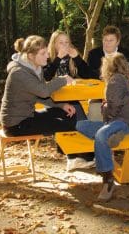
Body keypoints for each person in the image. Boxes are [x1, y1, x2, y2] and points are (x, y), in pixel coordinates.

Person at [76, 53, 129, 201]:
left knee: (100, 135)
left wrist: (104, 108)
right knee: (81, 125)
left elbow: (114, 107)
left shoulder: (115, 80)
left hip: (123, 122)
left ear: (108, 67)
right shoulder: (124, 79)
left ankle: (107, 179)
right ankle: (113, 135)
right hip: (117, 122)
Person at [0, 35, 76, 137]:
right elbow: (43, 92)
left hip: (28, 116)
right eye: (43, 53)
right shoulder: (19, 73)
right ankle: (72, 151)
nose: (47, 56)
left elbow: (40, 96)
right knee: (66, 126)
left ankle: (70, 151)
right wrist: (63, 80)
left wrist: (62, 105)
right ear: (31, 56)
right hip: (15, 124)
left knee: (67, 114)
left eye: (47, 52)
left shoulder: (35, 68)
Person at [44, 30, 95, 171]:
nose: (65, 45)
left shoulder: (72, 57)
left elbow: (88, 74)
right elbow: (46, 77)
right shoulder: (47, 57)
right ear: (53, 44)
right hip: (51, 101)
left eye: (67, 42)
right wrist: (57, 59)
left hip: (71, 98)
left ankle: (83, 156)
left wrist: (77, 58)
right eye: (61, 42)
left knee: (81, 120)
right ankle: (75, 157)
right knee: (71, 116)